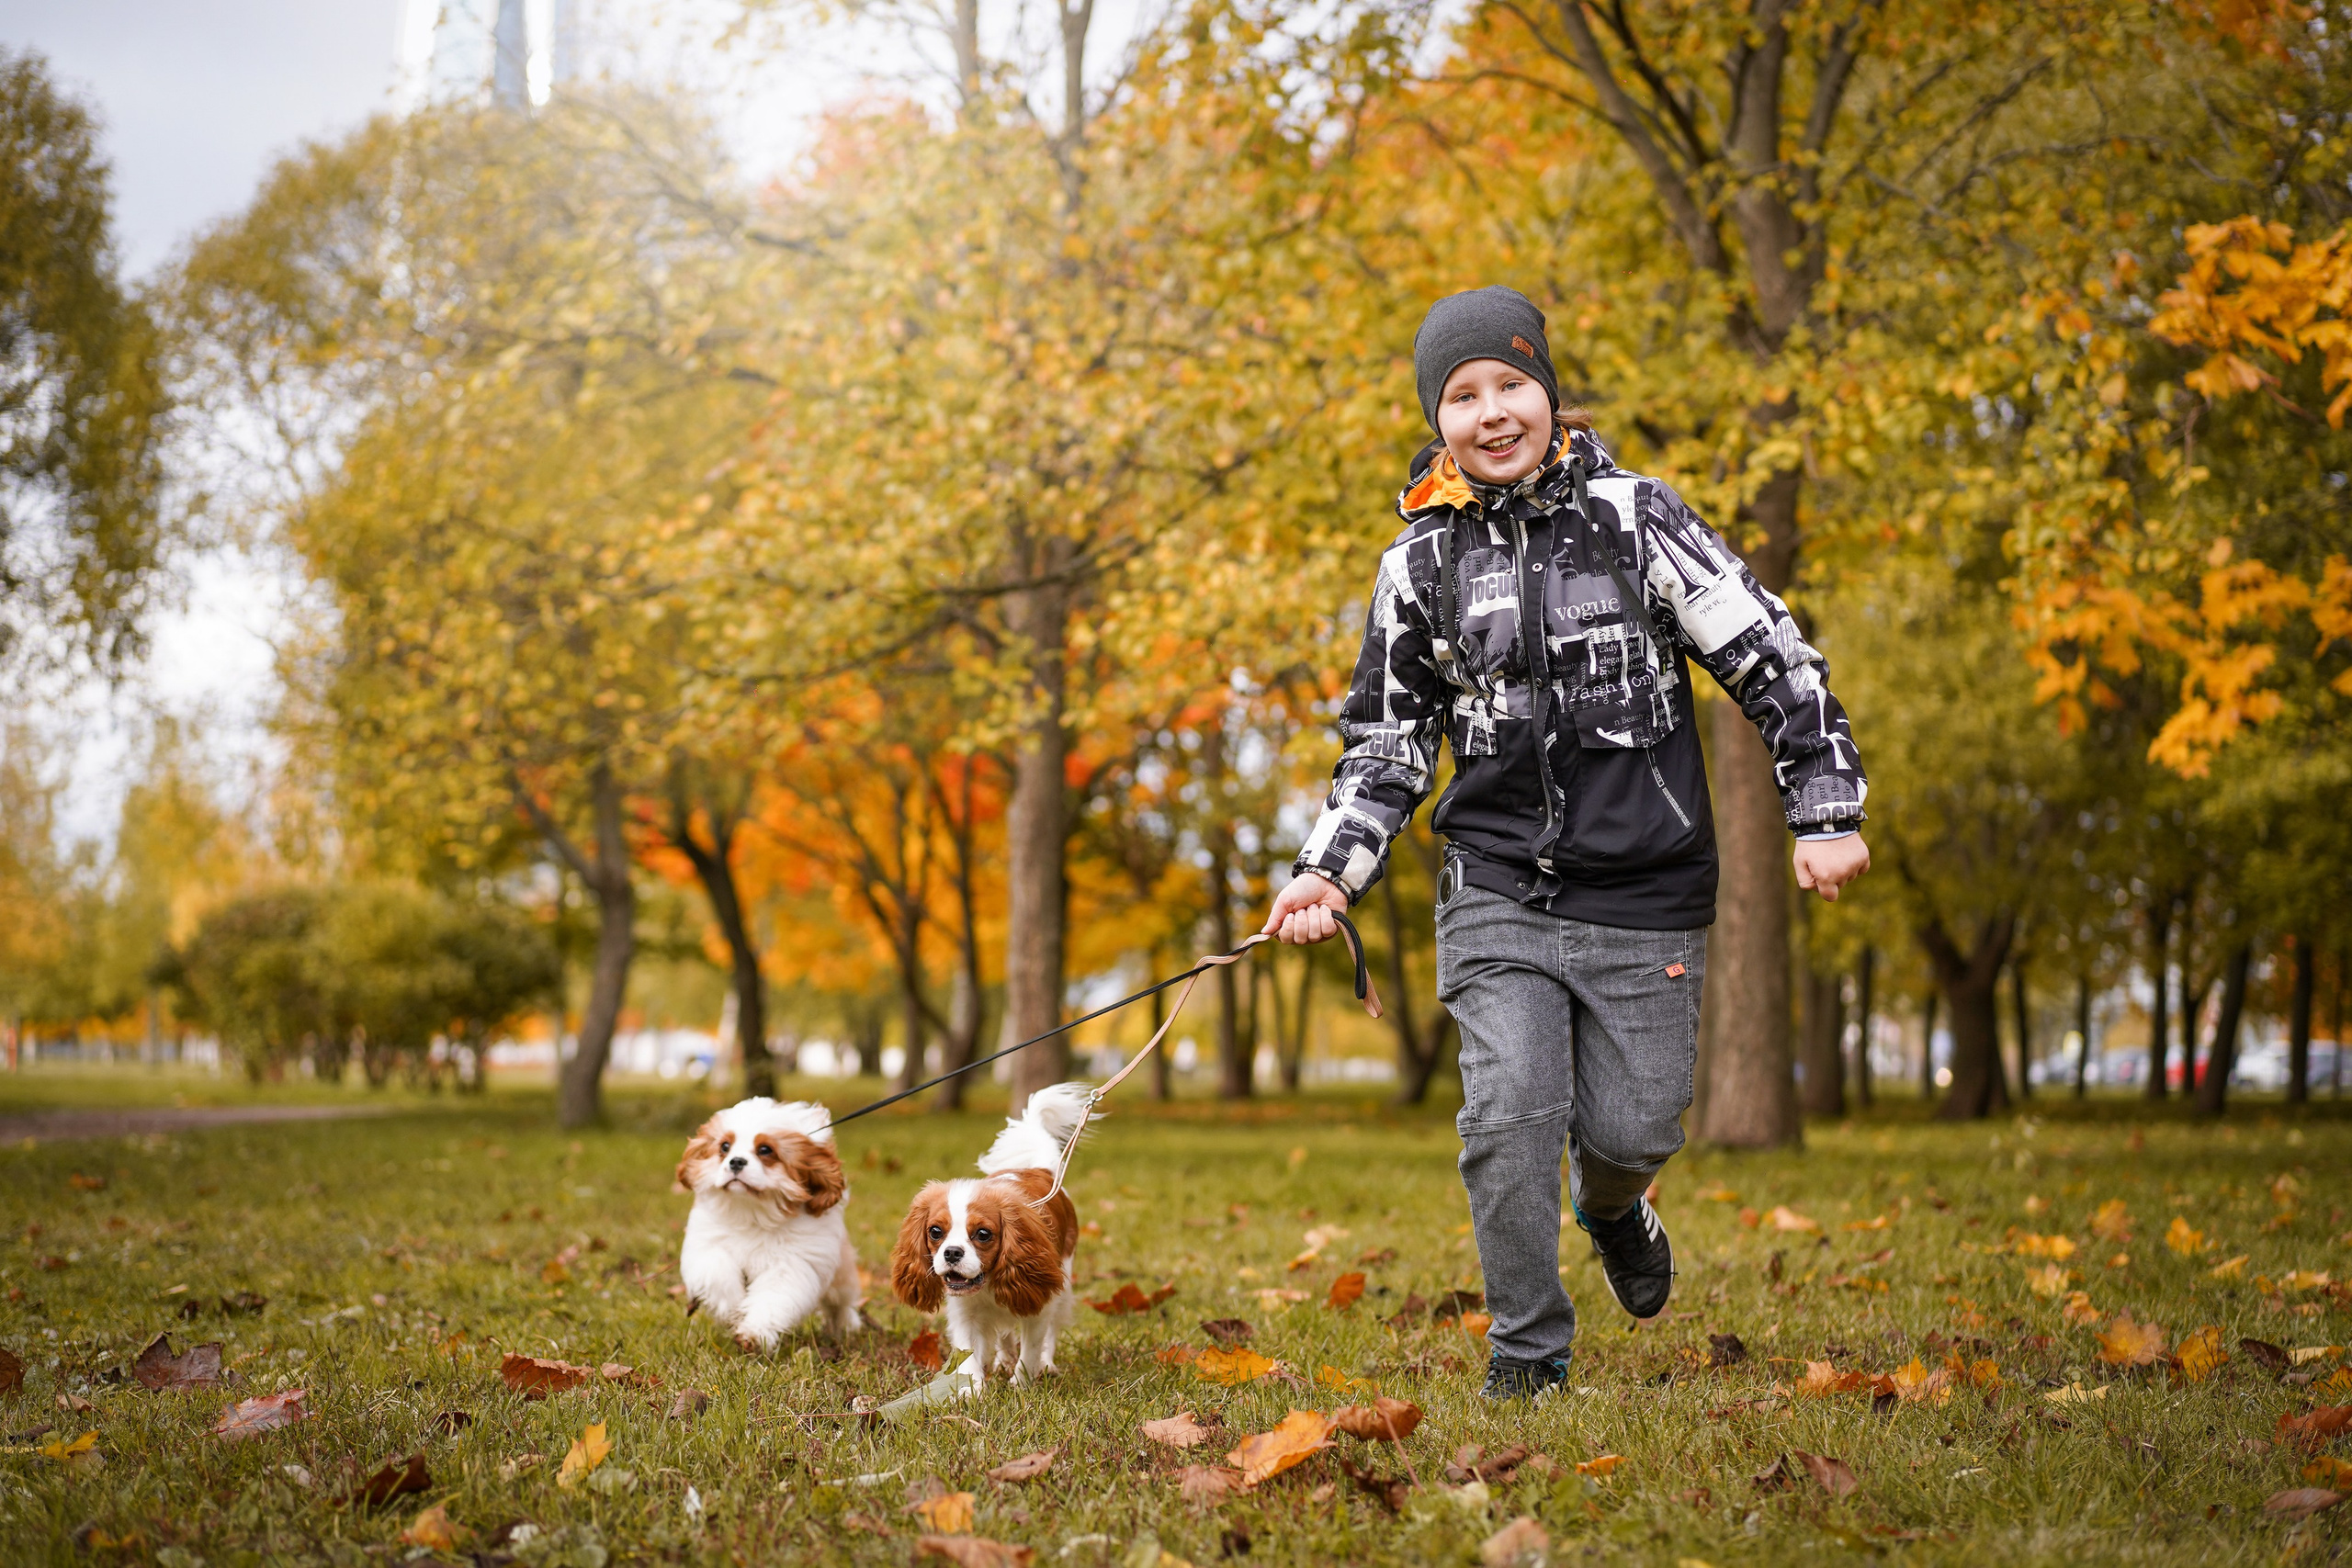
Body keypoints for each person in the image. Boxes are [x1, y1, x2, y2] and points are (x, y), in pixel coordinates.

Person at [1262, 286, 1871, 1402]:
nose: (1491, 413)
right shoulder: (1419, 568)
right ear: (1435, 420)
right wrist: (1325, 872)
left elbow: (1768, 652)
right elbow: (1387, 743)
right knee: (1507, 1119)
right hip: (1496, 887)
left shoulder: (1637, 518)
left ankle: (1612, 1204)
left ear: (1548, 393)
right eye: (1462, 396)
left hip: (1646, 888)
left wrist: (1824, 805)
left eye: (1510, 385)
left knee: (1633, 1127)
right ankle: (1527, 1357)